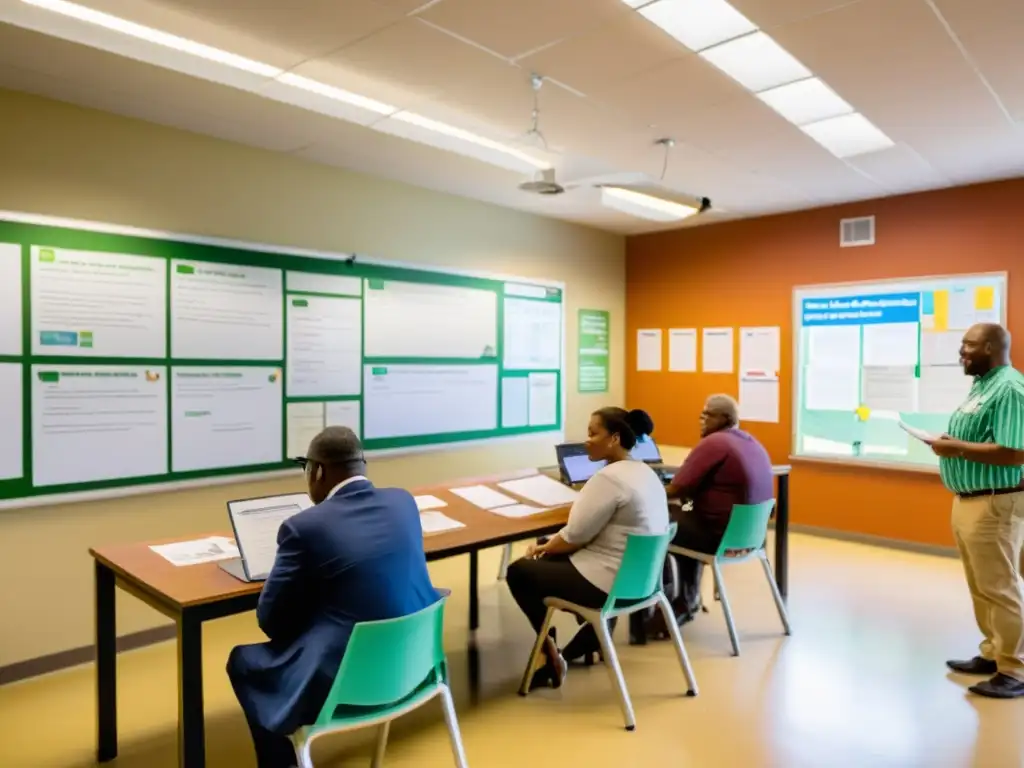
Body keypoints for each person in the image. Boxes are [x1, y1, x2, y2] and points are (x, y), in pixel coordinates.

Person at [227, 426, 440, 768]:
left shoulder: (303, 527)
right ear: (363, 465)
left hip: (346, 682)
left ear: (318, 471)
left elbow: (270, 621)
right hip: (412, 668)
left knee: (244, 661)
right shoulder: (404, 501)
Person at [505, 407, 669, 687]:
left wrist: (539, 549)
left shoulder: (608, 478)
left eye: (593, 433)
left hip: (607, 585)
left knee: (520, 571)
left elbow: (574, 537)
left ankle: (550, 653)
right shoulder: (645, 472)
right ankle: (586, 640)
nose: (586, 440)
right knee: (550, 554)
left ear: (615, 438)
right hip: (642, 583)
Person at [929, 323, 1024, 699]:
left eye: (968, 345)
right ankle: (993, 652)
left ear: (990, 347)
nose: (961, 352)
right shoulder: (982, 385)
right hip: (969, 500)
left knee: (1000, 587)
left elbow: (1015, 452)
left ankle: (1014, 669)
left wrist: (958, 449)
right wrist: (955, 444)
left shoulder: (1010, 389)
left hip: (995, 502)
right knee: (981, 585)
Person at [661, 394, 773, 626]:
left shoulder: (714, 443)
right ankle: (687, 598)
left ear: (724, 418)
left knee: (660, 524)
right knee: (684, 516)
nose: (701, 419)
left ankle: (664, 604)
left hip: (719, 538)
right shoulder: (751, 441)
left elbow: (677, 487)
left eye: (708, 414)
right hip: (751, 538)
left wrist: (643, 492)